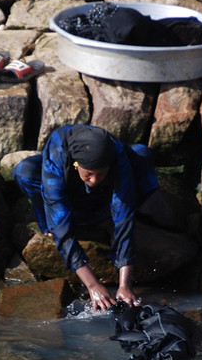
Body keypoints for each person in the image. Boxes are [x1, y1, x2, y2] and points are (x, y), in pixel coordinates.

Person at [14, 124, 159, 312]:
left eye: (101, 174)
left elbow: (124, 213)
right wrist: (92, 285)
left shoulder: (116, 153)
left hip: (102, 199)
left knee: (142, 153)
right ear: (76, 163)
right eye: (89, 174)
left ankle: (106, 219)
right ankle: (50, 227)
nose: (95, 180)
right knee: (23, 171)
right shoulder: (57, 153)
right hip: (71, 199)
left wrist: (125, 285)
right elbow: (57, 206)